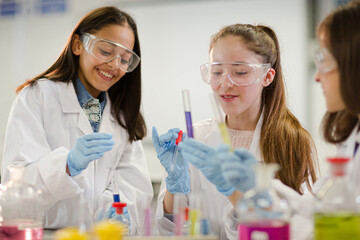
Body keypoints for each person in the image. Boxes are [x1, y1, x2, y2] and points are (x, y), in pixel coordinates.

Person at [153, 23, 318, 239]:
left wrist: (242, 195)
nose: (225, 84)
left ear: (267, 77)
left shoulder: (292, 141)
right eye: (216, 71)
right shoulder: (196, 136)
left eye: (240, 72)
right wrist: (174, 184)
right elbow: (168, 229)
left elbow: (302, 228)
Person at [1, 6, 153, 234]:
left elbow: (135, 188)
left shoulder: (122, 114)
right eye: (105, 51)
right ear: (77, 45)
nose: (114, 65)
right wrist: (65, 166)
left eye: (124, 59)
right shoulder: (38, 96)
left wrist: (122, 212)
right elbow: (16, 192)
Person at [267, 1, 360, 239]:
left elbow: (334, 230)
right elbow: (319, 207)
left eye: (324, 59)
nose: (317, 76)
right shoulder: (352, 137)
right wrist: (263, 189)